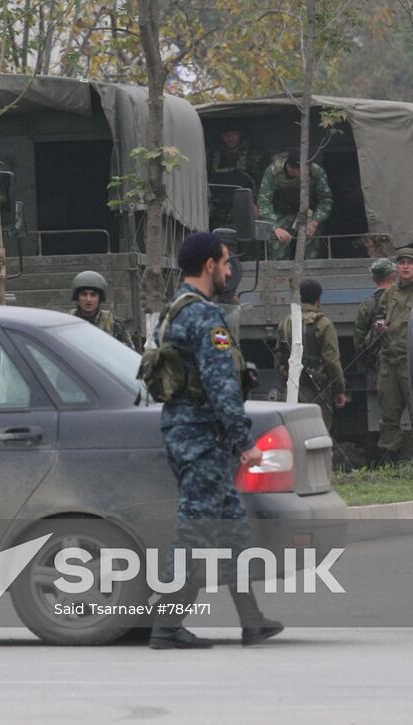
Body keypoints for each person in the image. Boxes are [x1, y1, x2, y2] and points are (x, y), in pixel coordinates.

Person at [148, 232, 282, 650]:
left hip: (189, 432)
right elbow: (220, 383)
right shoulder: (205, 317)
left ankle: (251, 619)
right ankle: (167, 627)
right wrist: (245, 440)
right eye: (225, 263)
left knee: (231, 529)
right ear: (209, 265)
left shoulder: (174, 310)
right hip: (202, 438)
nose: (229, 271)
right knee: (196, 530)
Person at [375, 247, 413, 462]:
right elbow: (380, 315)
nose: (405, 266)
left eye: (410, 263)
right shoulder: (390, 294)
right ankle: (389, 462)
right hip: (389, 362)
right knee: (388, 414)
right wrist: (380, 325)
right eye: (401, 262)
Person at [275, 279, 348, 431]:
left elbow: (278, 357)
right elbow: (332, 361)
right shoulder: (323, 324)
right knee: (317, 434)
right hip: (317, 391)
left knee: (293, 433)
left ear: (299, 297)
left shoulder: (285, 323)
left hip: (292, 389)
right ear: (318, 299)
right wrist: (339, 390)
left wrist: (284, 377)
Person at [258, 150, 333, 260]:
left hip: (306, 212)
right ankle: (279, 275)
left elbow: (326, 199)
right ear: (288, 167)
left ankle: (310, 273)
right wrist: (275, 227)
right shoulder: (274, 171)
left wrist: (316, 220)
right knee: (278, 242)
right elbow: (263, 202)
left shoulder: (315, 171)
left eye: (304, 170)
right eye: (297, 170)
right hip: (280, 212)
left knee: (311, 237)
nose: (301, 174)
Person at [354, 258, 395, 425]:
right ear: (394, 276)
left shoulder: (367, 305)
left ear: (374, 279)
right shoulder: (400, 302)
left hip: (376, 368)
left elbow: (358, 339)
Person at [67, 270, 138, 349]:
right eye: (84, 294)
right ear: (77, 297)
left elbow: (128, 351)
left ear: (99, 299)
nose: (88, 299)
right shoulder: (67, 322)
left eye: (93, 295)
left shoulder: (112, 324)